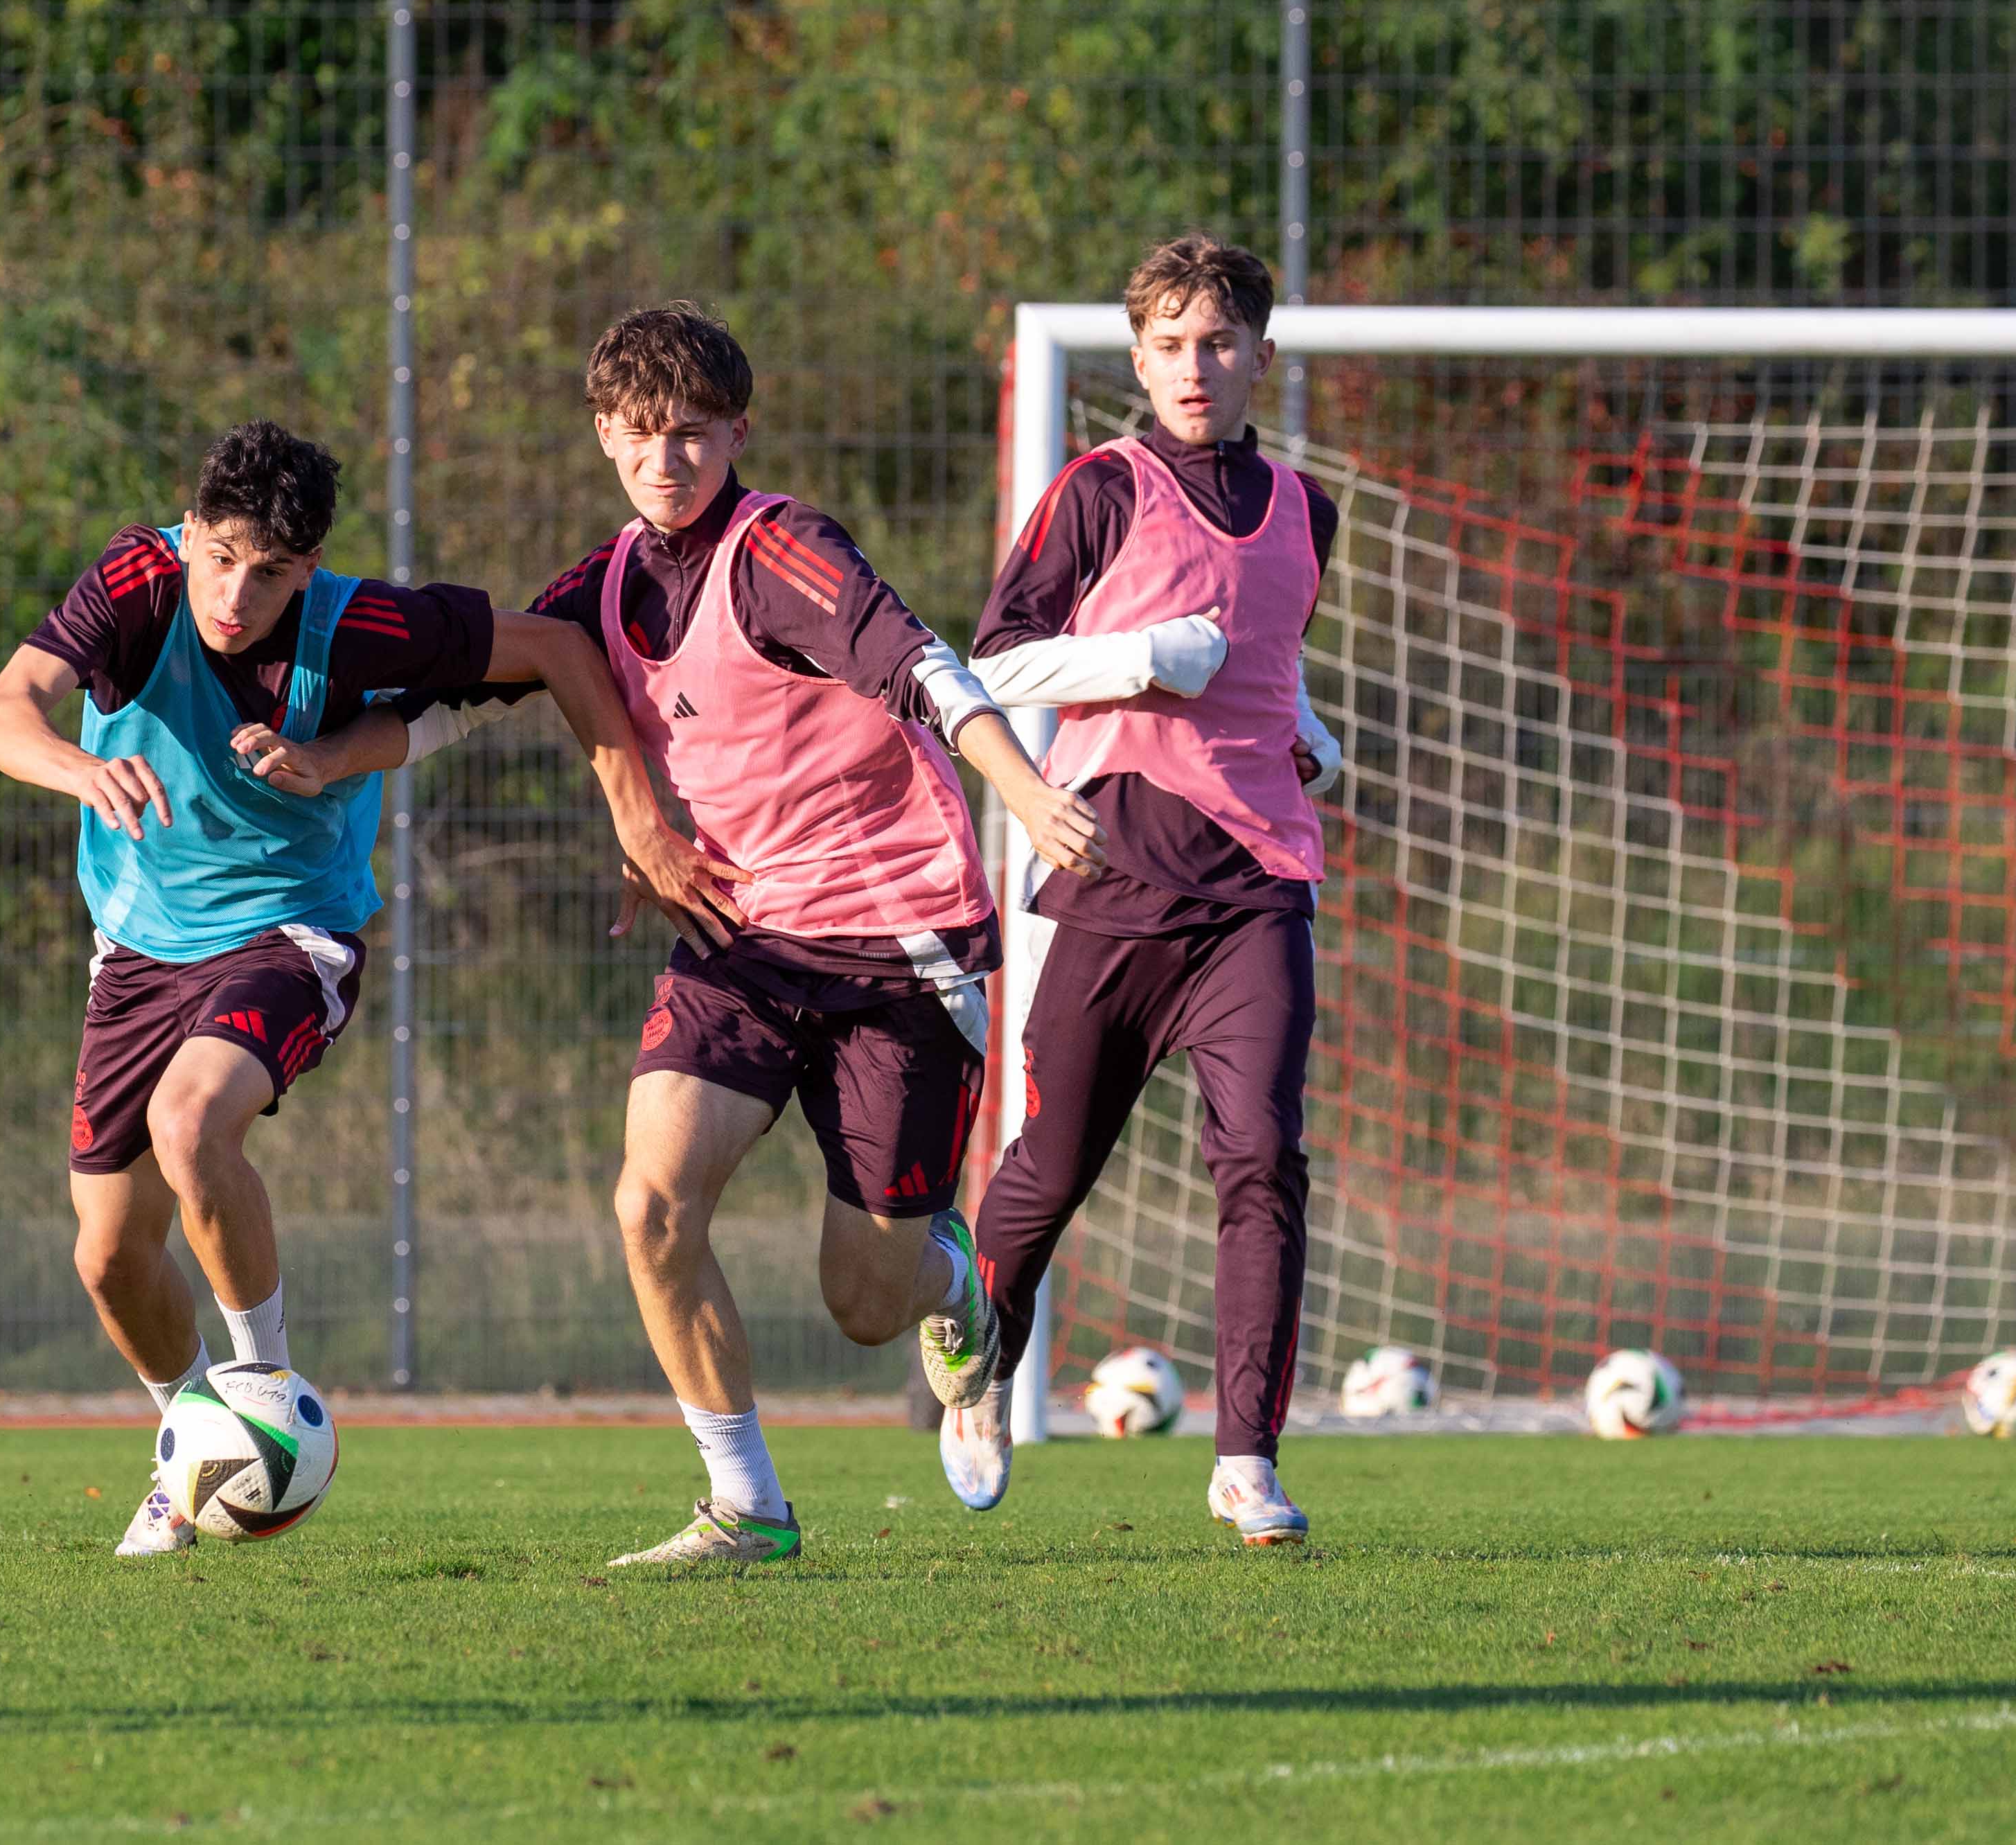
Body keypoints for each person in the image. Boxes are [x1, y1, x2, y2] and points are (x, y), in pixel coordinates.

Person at [289, 304, 1102, 1566]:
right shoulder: (607, 584)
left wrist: (1030, 794)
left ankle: (964, 1288)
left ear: (736, 432)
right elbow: (458, 706)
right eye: (636, 435)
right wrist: (321, 756)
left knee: (864, 1303)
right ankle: (748, 1505)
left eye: (689, 434)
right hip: (735, 934)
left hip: (898, 942)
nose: (663, 460)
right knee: (650, 1204)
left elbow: (926, 668)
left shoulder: (782, 553)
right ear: (603, 436)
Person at [0, 420, 723, 1557]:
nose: (234, 592)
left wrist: (641, 827)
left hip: (290, 929)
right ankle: (202, 1452)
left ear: (309, 568)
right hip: (135, 951)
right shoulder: (136, 578)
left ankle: (263, 1386)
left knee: (191, 1123)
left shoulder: (361, 621)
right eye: (219, 557)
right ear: (189, 535)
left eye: (268, 573)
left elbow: (559, 653)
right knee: (109, 1259)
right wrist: (80, 766)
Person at [942, 231, 1345, 1544]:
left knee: (1263, 1160)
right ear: (1137, 358)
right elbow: (991, 666)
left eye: (1220, 342)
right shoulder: (1097, 492)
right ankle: (979, 1370)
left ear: (1261, 360)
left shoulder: (1307, 510)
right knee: (1050, 1171)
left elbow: (1255, 658)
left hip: (1260, 887)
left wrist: (1303, 728)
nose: (1195, 366)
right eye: (1170, 344)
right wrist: (1136, 660)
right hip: (1115, 877)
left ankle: (1247, 1461)